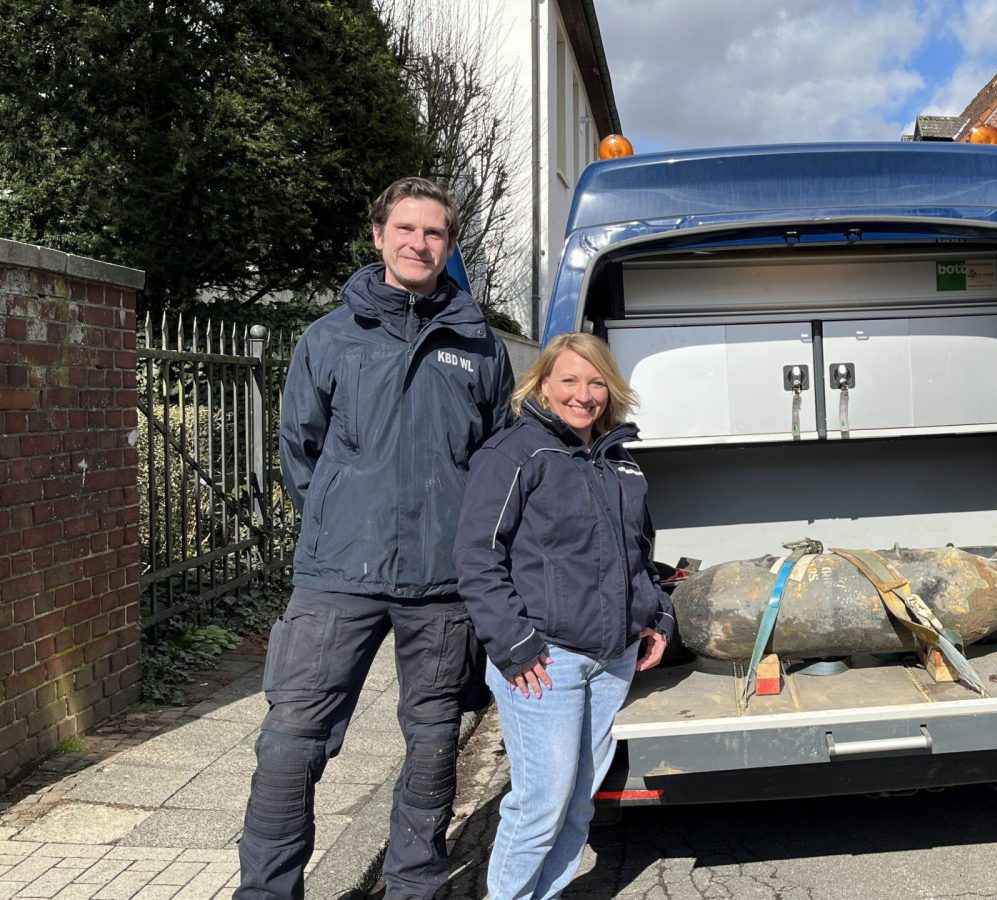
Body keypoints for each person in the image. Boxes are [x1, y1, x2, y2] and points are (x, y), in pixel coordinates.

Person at [237, 177, 514, 900]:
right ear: (379, 237)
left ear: (450, 247)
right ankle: (268, 890)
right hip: (338, 577)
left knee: (431, 744)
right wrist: (343, 516)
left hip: (442, 583)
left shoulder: (479, 347)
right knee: (290, 742)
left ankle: (415, 884)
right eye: (407, 230)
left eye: (434, 234)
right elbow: (302, 452)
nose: (419, 244)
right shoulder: (329, 337)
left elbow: (495, 459)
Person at [454, 332, 675, 900]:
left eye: (596, 381)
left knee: (578, 803)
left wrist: (658, 618)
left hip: (612, 661)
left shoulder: (622, 467)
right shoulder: (516, 453)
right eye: (570, 380)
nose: (584, 394)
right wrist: (515, 646)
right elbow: (478, 556)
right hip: (544, 661)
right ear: (543, 384)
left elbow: (640, 557)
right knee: (540, 805)